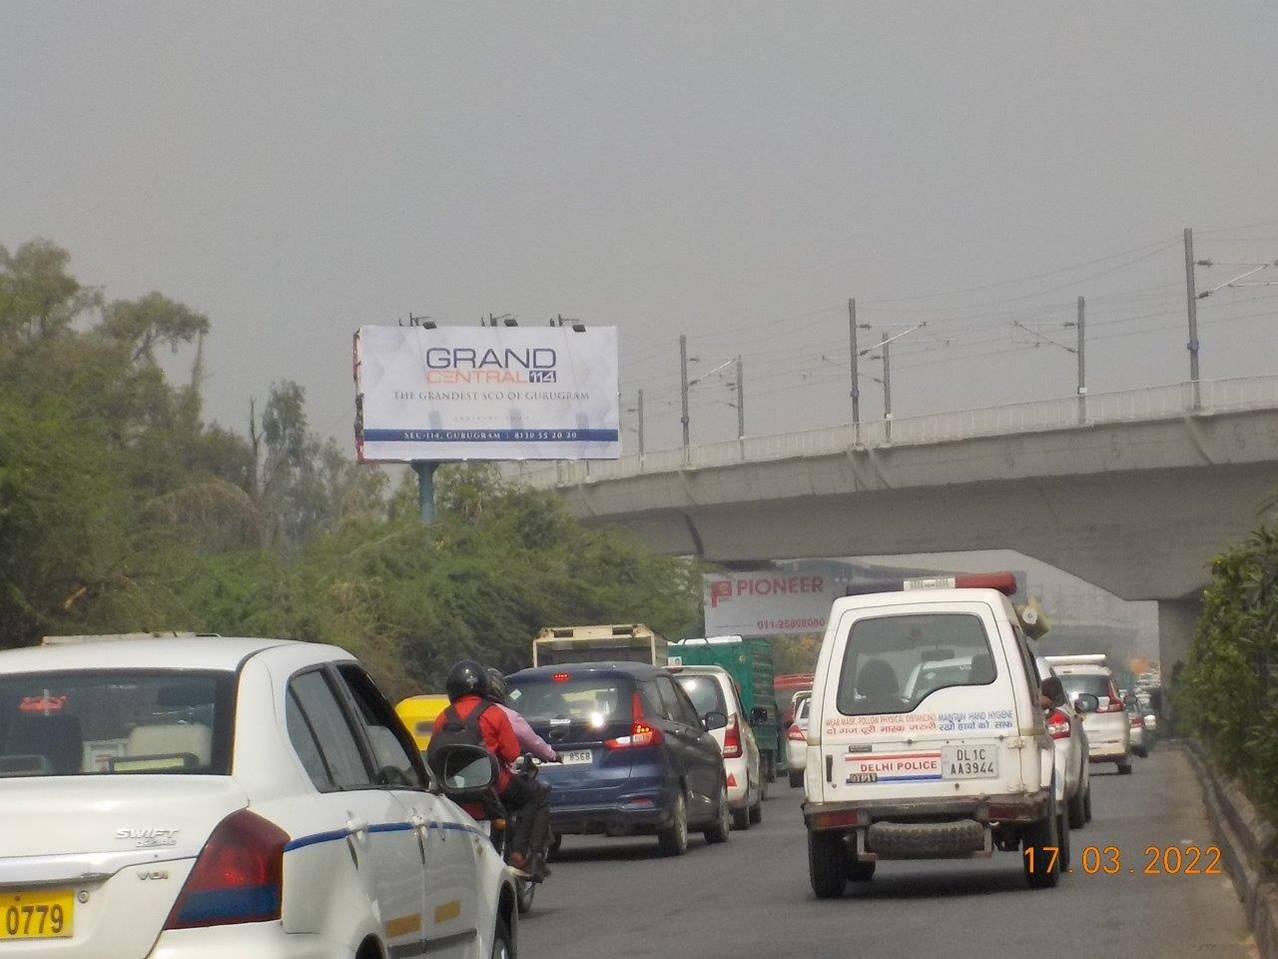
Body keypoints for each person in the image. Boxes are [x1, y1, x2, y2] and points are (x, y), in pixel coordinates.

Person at [430, 661, 547, 879]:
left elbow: (433, 754)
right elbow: (512, 754)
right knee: (531, 799)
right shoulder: (494, 714)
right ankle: (518, 855)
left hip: (453, 788)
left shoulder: (443, 717)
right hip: (493, 785)